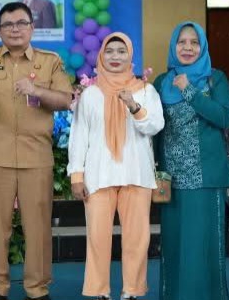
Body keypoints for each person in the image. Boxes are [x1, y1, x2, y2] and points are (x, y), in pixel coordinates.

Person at [0, 2, 73, 300]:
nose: (15, 29)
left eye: (21, 23)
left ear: (32, 28)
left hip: (36, 157)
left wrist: (37, 90)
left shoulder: (49, 62)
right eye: (8, 24)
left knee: (37, 228)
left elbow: (65, 100)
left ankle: (37, 288)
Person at [68, 33, 164, 300]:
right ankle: (99, 290)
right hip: (98, 175)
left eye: (122, 51)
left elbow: (155, 125)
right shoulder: (90, 94)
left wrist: (133, 106)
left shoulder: (146, 91)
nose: (115, 56)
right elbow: (79, 137)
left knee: (137, 239)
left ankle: (132, 290)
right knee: (98, 238)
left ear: (130, 56)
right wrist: (76, 175)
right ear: (101, 55)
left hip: (136, 174)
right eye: (109, 51)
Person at [153, 21, 229, 300]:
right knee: (175, 245)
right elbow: (154, 128)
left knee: (202, 247)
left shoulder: (215, 79)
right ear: (173, 46)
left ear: (203, 46)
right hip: (171, 181)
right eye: (182, 42)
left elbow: (224, 118)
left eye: (194, 42)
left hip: (205, 178)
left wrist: (189, 91)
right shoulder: (162, 82)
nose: (188, 47)